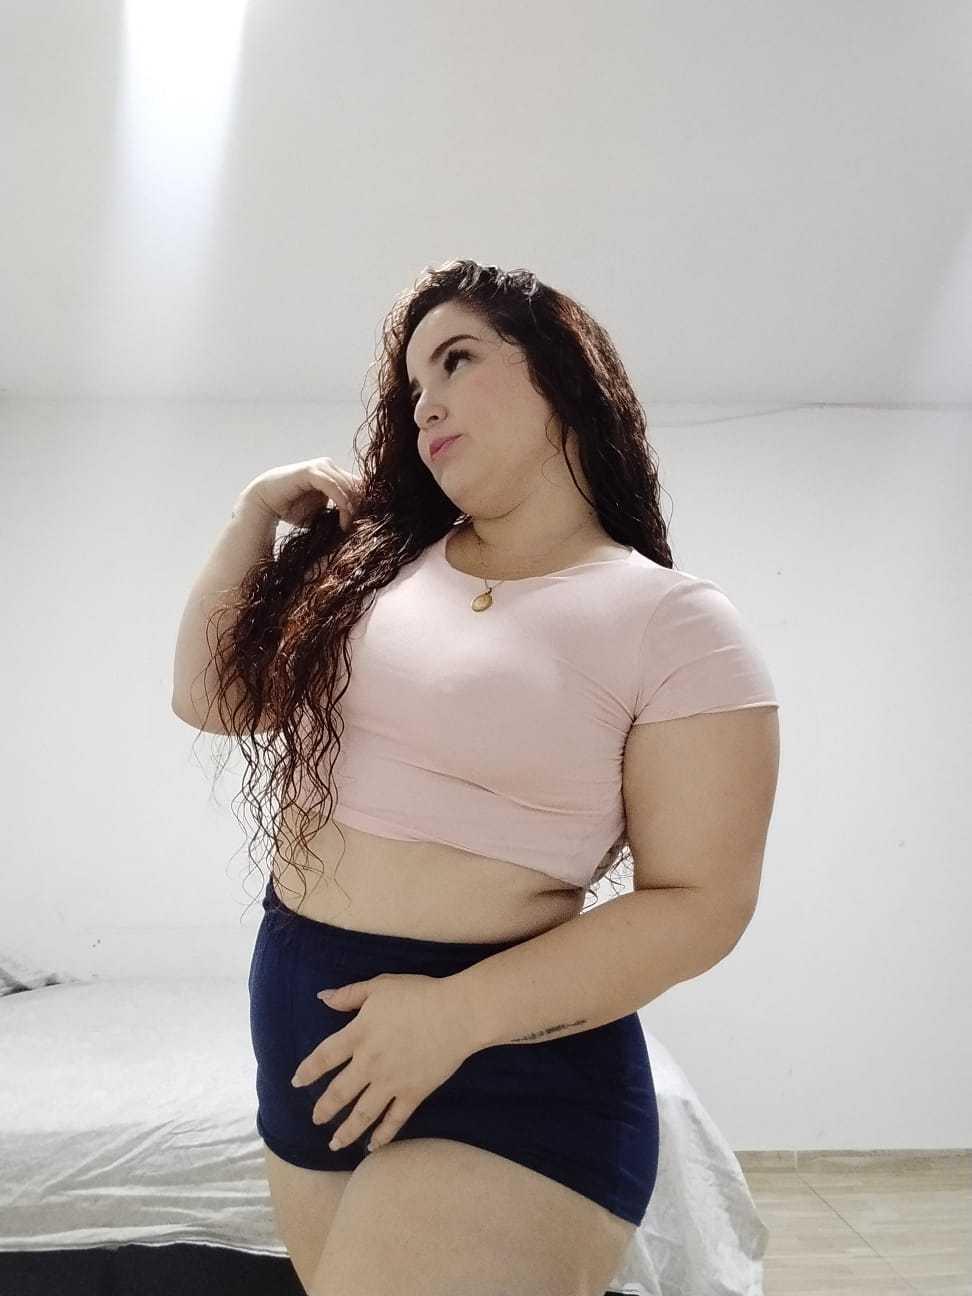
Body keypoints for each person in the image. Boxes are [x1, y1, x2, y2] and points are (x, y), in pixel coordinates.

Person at [171, 259, 780, 1295]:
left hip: (504, 1062)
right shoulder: (374, 571)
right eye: (413, 388)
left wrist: (452, 1019)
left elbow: (703, 903)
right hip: (310, 1048)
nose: (425, 405)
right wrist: (249, 518)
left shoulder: (675, 622)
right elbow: (212, 698)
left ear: (563, 375)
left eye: (456, 360)